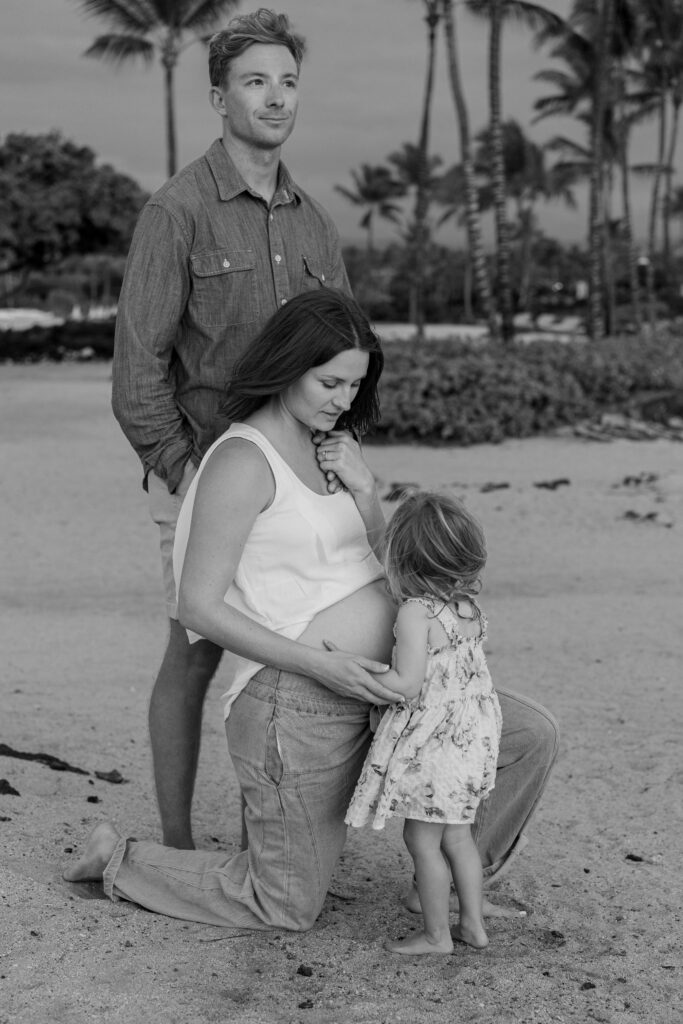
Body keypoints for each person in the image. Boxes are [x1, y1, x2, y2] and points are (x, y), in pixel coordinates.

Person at [64, 290, 558, 933]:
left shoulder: (335, 451)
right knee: (285, 906)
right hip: (298, 703)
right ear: (287, 365)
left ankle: (445, 879)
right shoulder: (243, 462)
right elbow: (198, 606)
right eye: (329, 382)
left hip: (399, 687)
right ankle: (119, 859)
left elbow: (394, 572)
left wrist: (368, 493)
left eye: (355, 385)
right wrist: (321, 668)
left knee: (528, 738)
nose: (343, 401)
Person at [110, 9, 351, 849]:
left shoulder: (317, 223)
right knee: (196, 651)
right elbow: (137, 366)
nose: (275, 97)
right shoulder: (175, 212)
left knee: (291, 644)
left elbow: (340, 354)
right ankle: (174, 842)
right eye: (255, 81)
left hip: (294, 480)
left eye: (287, 81)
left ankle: (276, 832)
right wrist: (183, 470)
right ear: (219, 96)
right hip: (201, 471)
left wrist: (330, 461)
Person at [346, 491, 502, 954]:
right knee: (459, 836)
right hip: (473, 738)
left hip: (438, 746)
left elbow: (409, 684)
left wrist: (365, 673)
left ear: (403, 559)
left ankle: (437, 936)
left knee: (421, 837)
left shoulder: (417, 612)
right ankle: (472, 924)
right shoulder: (468, 610)